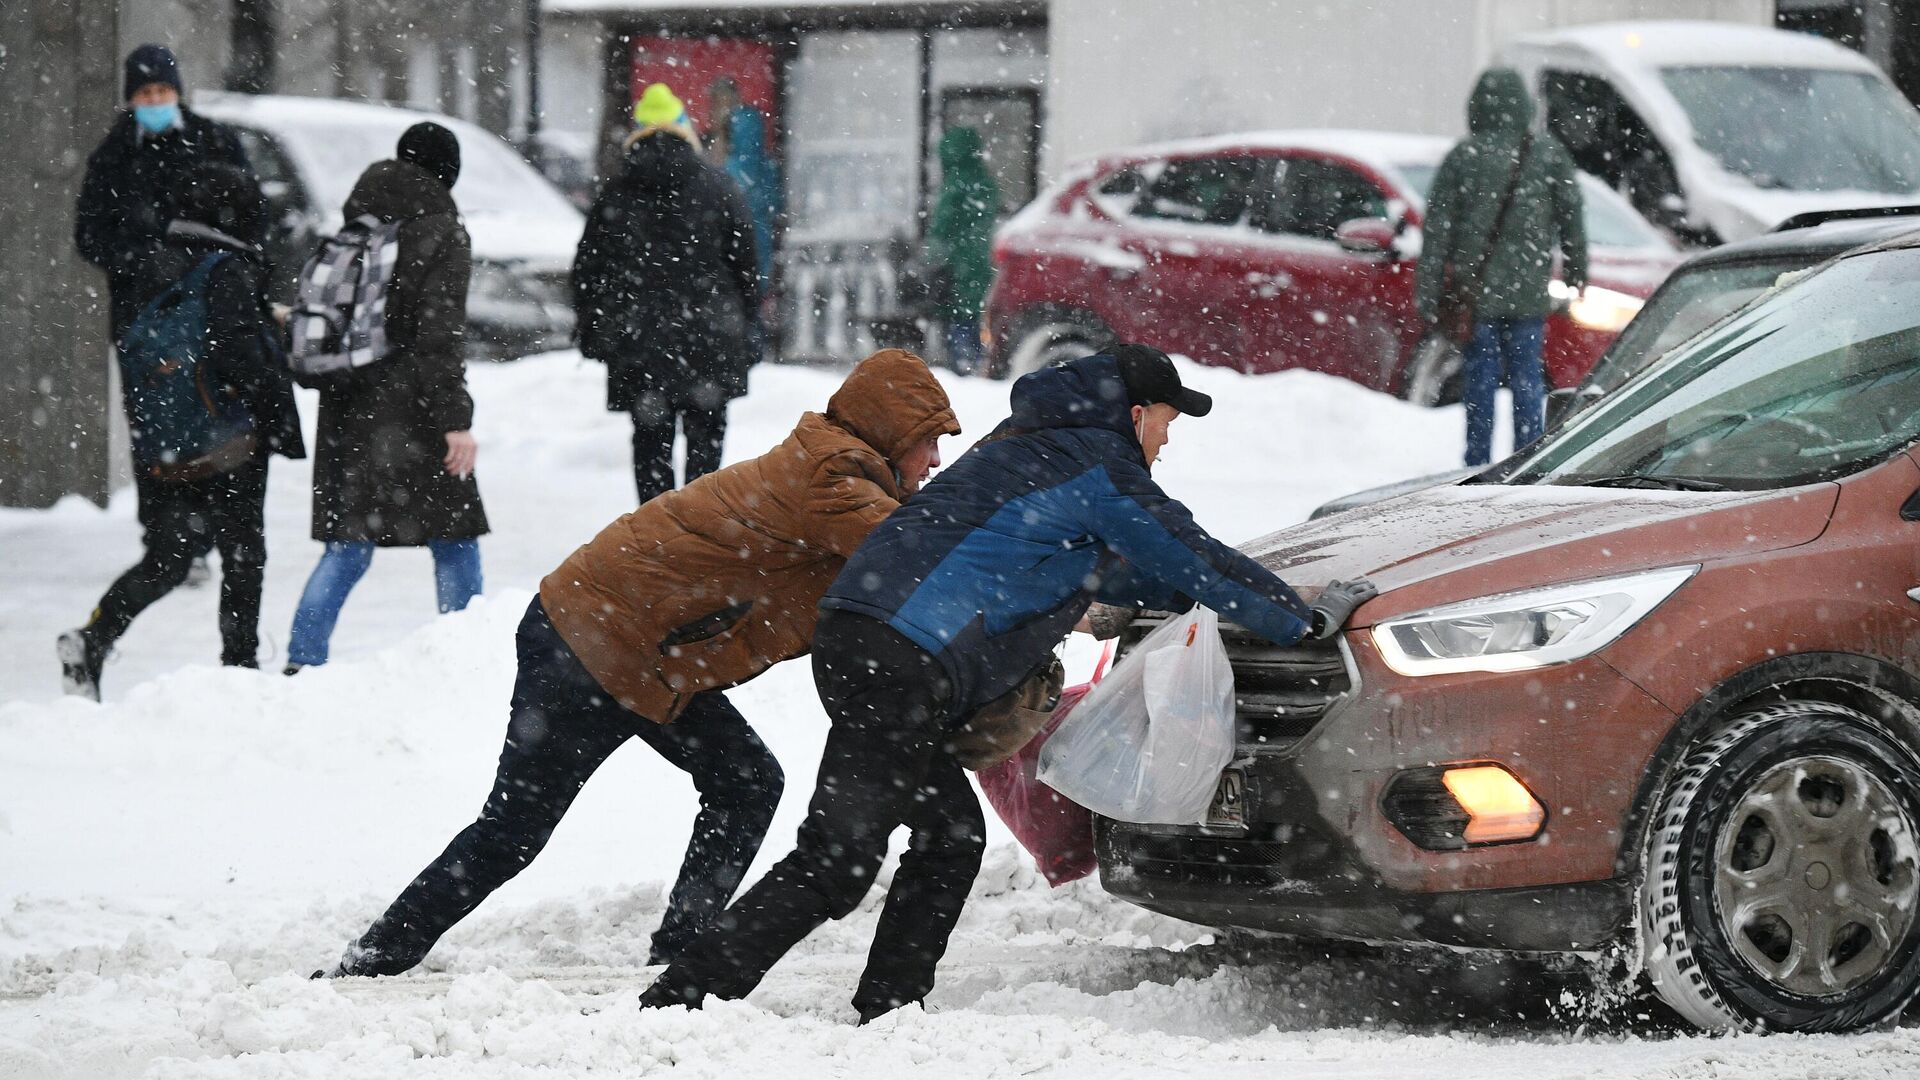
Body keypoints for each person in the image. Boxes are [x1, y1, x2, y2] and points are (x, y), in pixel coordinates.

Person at [641, 344, 1379, 1021]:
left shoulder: (1029, 447)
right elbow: (1193, 554)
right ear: (1133, 415)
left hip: (870, 643)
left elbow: (1098, 558)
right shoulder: (1098, 467)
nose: (1167, 439)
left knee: (950, 834)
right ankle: (684, 995)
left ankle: (889, 1007)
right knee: (839, 856)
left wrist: (1162, 598)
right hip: (900, 661)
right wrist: (1300, 619)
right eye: (1165, 421)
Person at [317, 349, 960, 977]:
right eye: (928, 441)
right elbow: (925, 563)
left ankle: (683, 945)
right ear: (888, 430)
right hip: (592, 642)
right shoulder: (835, 483)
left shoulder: (836, 469)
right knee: (513, 829)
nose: (934, 460)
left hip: (639, 652)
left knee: (744, 782)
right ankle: (374, 959)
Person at [58, 163, 306, 699]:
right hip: (227, 444)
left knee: (168, 561)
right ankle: (238, 673)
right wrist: (278, 415)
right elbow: (242, 356)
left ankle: (93, 637)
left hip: (167, 441)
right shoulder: (226, 269)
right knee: (244, 554)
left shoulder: (145, 263)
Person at [283, 122, 487, 674]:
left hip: (350, 402)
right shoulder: (440, 230)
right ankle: (468, 651)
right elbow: (437, 336)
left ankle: (302, 660)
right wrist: (454, 419)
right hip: (412, 406)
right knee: (455, 534)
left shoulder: (360, 220)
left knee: (349, 543)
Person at [75, 44, 254, 591]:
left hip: (204, 315)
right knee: (153, 430)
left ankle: (207, 538)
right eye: (145, 94)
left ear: (178, 92)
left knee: (210, 419)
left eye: (162, 91)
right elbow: (89, 235)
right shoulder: (113, 156)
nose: (155, 101)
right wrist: (139, 258)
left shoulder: (213, 142)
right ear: (131, 99)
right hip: (141, 324)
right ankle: (164, 542)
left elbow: (246, 217)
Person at [574, 82, 762, 505]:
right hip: (710, 343)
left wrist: (596, 331)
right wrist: (746, 324)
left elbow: (588, 272)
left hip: (640, 347)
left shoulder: (617, 193)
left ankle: (657, 545)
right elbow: (747, 268)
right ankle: (699, 540)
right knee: (705, 451)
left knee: (650, 446)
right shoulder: (720, 187)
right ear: (685, 130)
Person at [1414, 67, 1587, 468]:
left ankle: (1478, 462)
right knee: (1528, 381)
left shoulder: (1464, 157)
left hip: (1477, 296)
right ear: (1524, 105)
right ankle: (1528, 459)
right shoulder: (1547, 154)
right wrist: (1577, 273)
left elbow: (1437, 233)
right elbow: (1572, 218)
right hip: (1529, 294)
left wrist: (1428, 290)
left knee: (1480, 382)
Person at [924, 127, 1000, 376]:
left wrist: (928, 258)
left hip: (959, 265)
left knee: (960, 317)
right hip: (984, 261)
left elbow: (941, 228)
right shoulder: (985, 180)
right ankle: (980, 363)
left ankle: (963, 366)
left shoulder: (955, 183)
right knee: (980, 314)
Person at [707, 77, 782, 289]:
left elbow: (740, 179)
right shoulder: (731, 135)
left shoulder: (744, 128)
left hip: (748, 235)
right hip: (744, 237)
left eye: (717, 103)